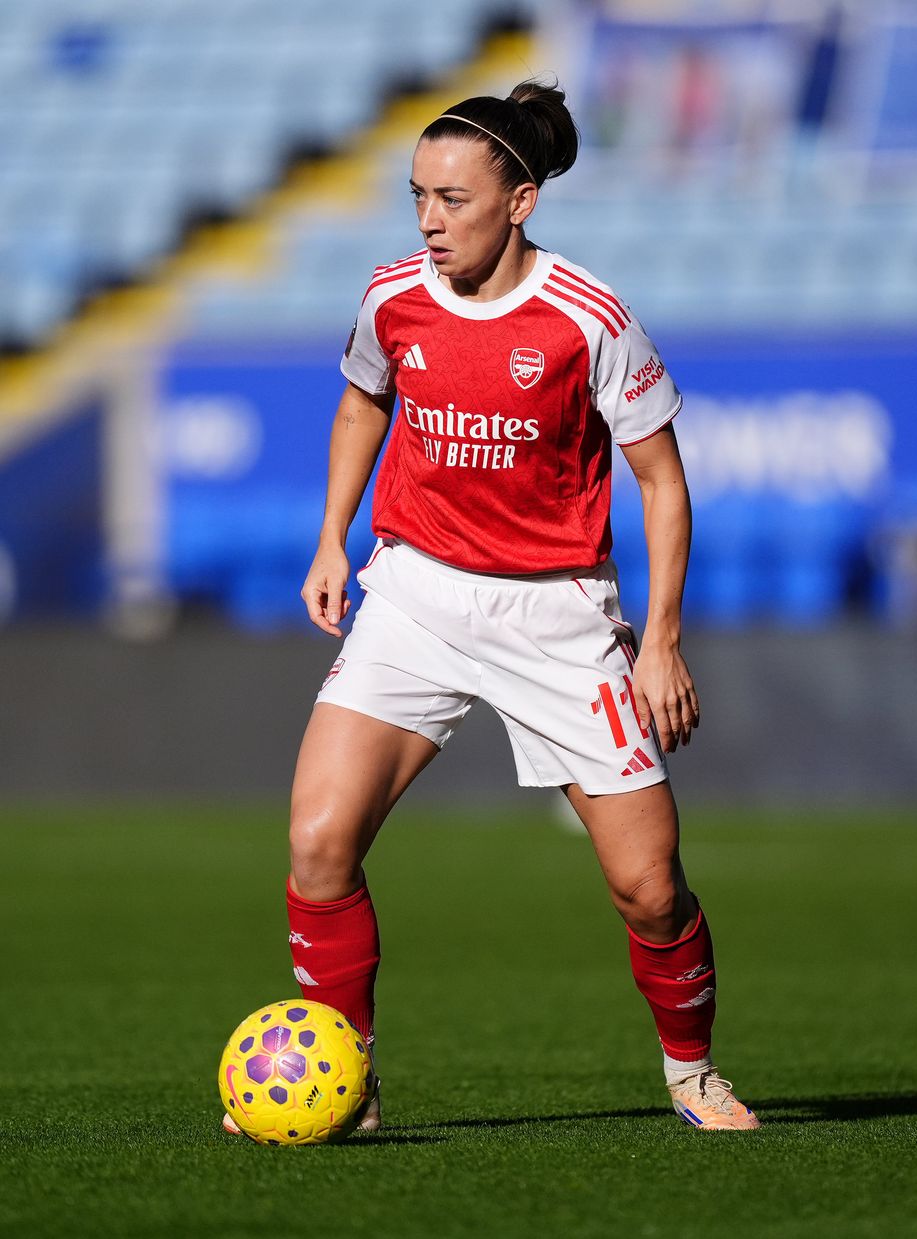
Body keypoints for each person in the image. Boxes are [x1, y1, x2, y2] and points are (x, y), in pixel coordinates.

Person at [226, 78, 759, 1133]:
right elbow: (362, 402)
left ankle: (692, 1071)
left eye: (453, 199)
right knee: (319, 843)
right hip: (415, 595)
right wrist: (333, 537)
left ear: (519, 202)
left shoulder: (588, 319)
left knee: (650, 888)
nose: (429, 220)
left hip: (557, 616)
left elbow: (661, 481)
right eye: (417, 196)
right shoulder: (393, 296)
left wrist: (659, 640)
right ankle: (350, 1081)